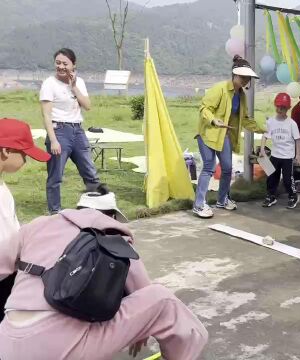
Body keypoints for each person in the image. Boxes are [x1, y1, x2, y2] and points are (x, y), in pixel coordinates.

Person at [0, 191, 208, 359]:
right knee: (164, 302)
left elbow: (2, 267)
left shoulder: (37, 226)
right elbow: (145, 295)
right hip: (59, 348)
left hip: (8, 339)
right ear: (111, 216)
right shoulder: (113, 241)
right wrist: (138, 331)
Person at [194, 55, 264, 218]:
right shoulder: (220, 89)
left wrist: (262, 129)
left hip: (224, 136)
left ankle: (222, 199)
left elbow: (245, 119)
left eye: (248, 78)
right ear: (235, 75)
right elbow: (204, 108)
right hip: (208, 134)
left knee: (227, 168)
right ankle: (198, 205)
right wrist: (214, 120)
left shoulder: (242, 96)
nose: (247, 81)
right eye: (244, 77)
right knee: (209, 167)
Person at [0, 118, 51, 322]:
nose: (26, 160)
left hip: (10, 276)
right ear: (6, 151)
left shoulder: (3, 187)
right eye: (24, 154)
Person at [41, 48, 102, 215]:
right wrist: (53, 140)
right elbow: (46, 115)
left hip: (78, 131)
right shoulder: (49, 83)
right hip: (58, 131)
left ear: (73, 65)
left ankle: (99, 208)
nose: (61, 66)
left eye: (65, 63)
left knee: (90, 172)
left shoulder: (79, 82)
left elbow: (88, 106)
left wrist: (74, 87)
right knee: (56, 176)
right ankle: (55, 212)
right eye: (58, 63)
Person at [260, 92, 300, 209]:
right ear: (275, 106)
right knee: (271, 177)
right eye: (278, 107)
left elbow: (297, 139)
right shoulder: (270, 122)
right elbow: (264, 135)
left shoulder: (291, 123)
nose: (280, 109)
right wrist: (262, 149)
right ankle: (271, 196)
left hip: (287, 156)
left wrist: (298, 155)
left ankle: (293, 196)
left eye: (283, 107)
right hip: (275, 154)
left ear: (288, 108)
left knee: (288, 180)